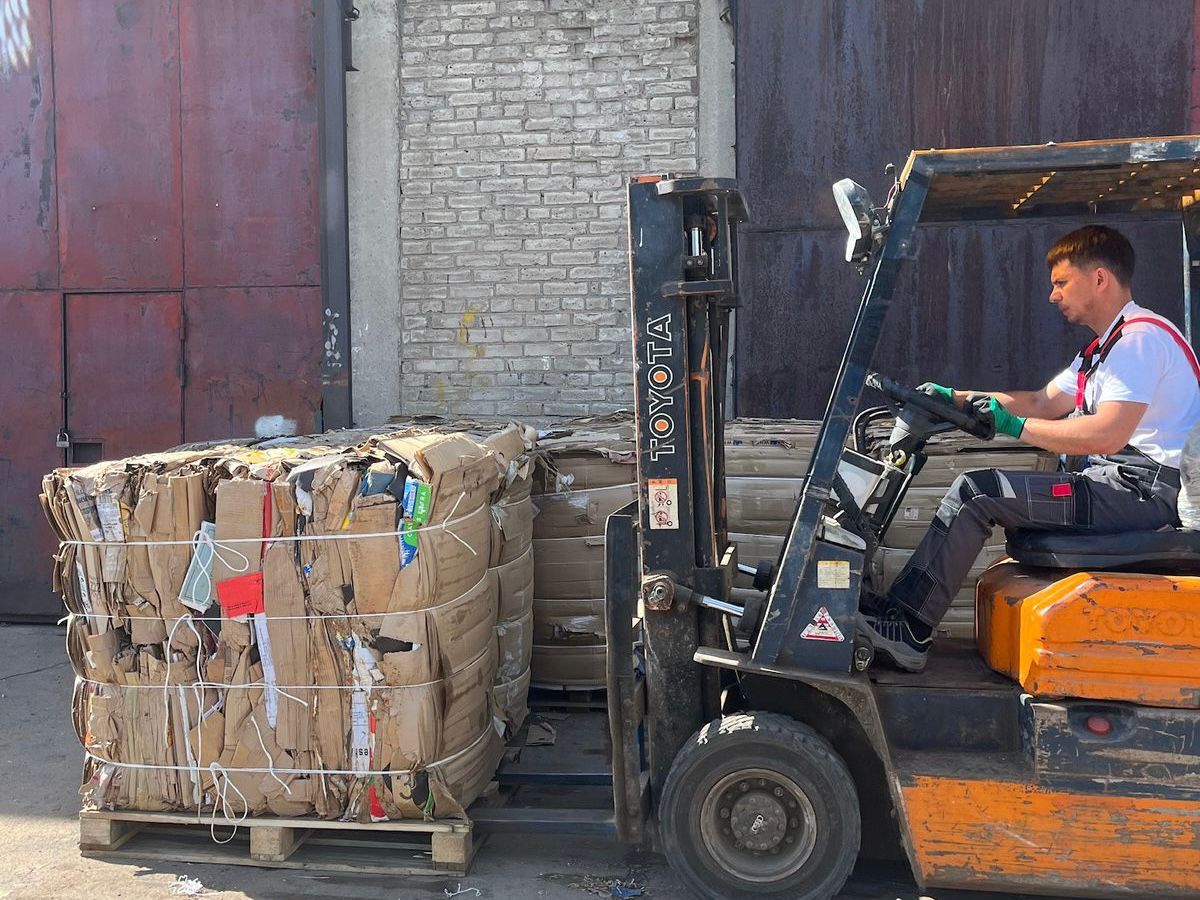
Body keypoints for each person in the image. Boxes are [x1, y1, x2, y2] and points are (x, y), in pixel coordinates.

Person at [858, 224, 1200, 672]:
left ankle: (909, 629)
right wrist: (956, 397)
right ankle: (899, 614)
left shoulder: (1140, 340)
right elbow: (1042, 402)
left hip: (1138, 492)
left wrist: (1015, 427)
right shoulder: (1106, 348)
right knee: (979, 491)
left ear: (1099, 279)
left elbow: (1108, 435)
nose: (1053, 296)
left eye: (1061, 283)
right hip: (1112, 483)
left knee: (976, 493)